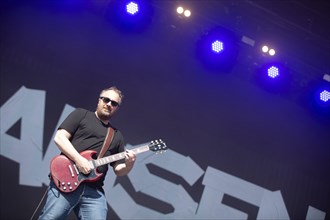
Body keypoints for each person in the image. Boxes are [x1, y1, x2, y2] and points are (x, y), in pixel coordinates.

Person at [38, 86, 136, 220]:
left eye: (114, 103)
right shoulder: (81, 114)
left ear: (117, 108)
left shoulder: (116, 135)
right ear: (99, 100)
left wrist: (129, 164)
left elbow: (119, 170)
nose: (109, 104)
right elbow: (59, 138)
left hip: (94, 192)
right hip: (66, 181)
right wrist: (79, 160)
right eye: (106, 100)